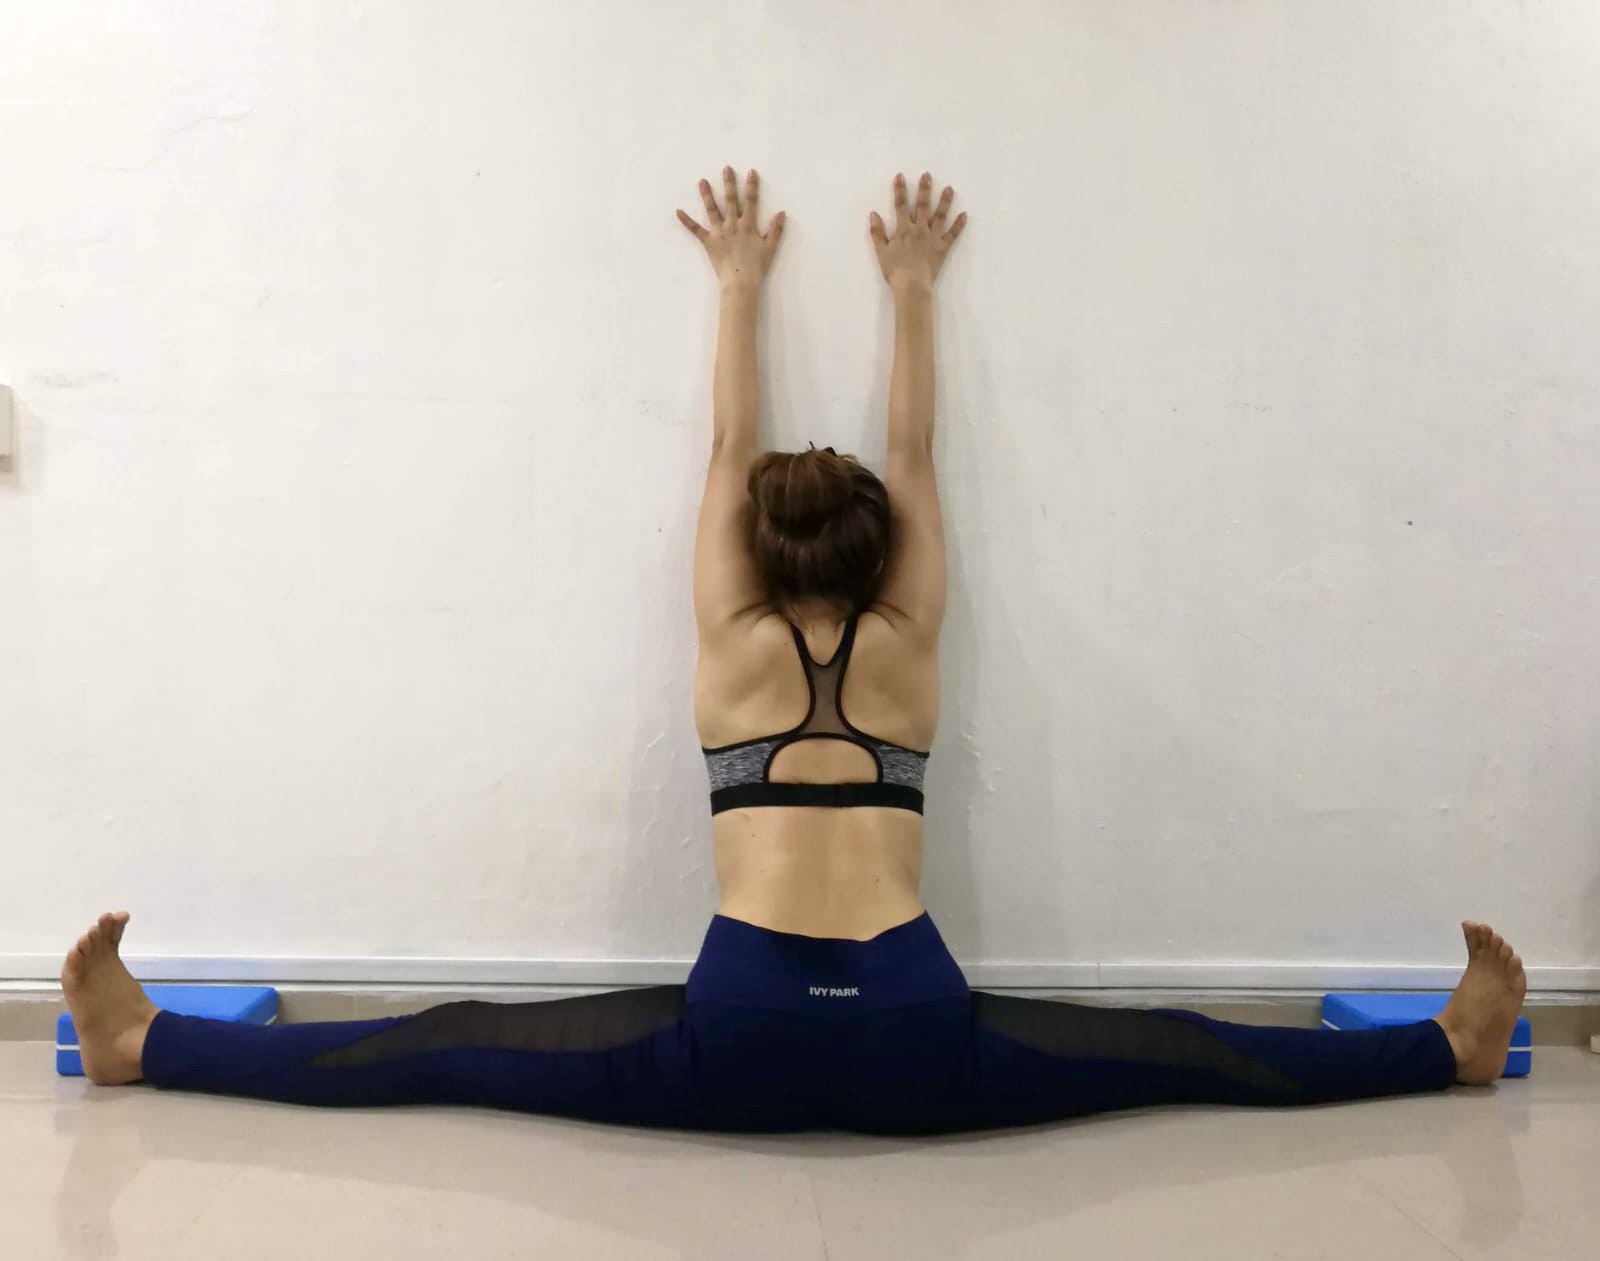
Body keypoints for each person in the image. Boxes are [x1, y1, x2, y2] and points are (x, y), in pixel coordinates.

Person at [61, 168, 1527, 1134]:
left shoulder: (732, 642)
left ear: (757, 549)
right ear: (880, 549)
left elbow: (726, 449)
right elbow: (916, 453)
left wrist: (737, 282)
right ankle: (1445, 1050)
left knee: (443, 1043)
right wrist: (913, 288)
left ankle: (146, 1046)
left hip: (742, 1029)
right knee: (1184, 1051)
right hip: (915, 1030)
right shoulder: (907, 641)